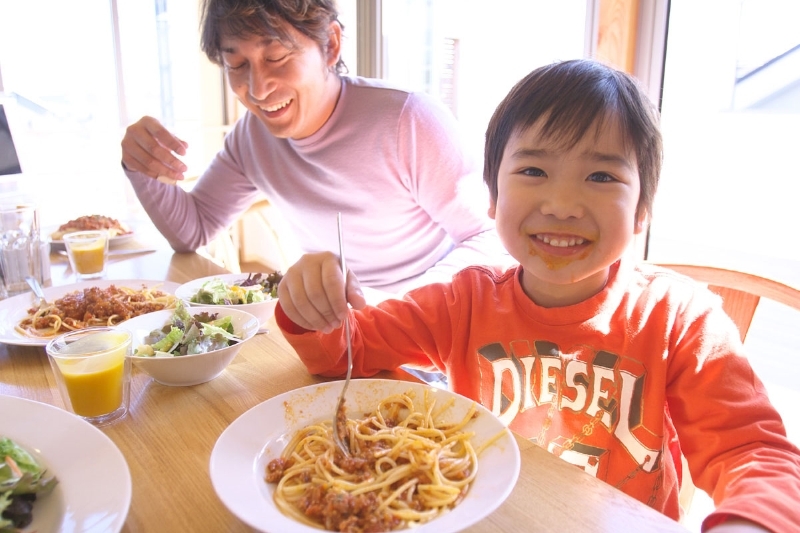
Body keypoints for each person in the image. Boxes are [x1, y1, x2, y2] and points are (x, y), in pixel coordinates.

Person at [275, 59, 800, 532]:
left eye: (601, 175)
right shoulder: (463, 304)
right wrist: (311, 305)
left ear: (642, 210)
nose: (562, 203)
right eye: (533, 170)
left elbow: (755, 454)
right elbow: (345, 352)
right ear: (492, 195)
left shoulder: (679, 320)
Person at [120, 0, 509, 296]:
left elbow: (488, 237)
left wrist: (402, 308)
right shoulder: (251, 138)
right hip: (336, 334)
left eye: (276, 57)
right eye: (236, 65)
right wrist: (141, 167)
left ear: (330, 45)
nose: (257, 89)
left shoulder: (408, 121)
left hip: (428, 332)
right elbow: (193, 230)